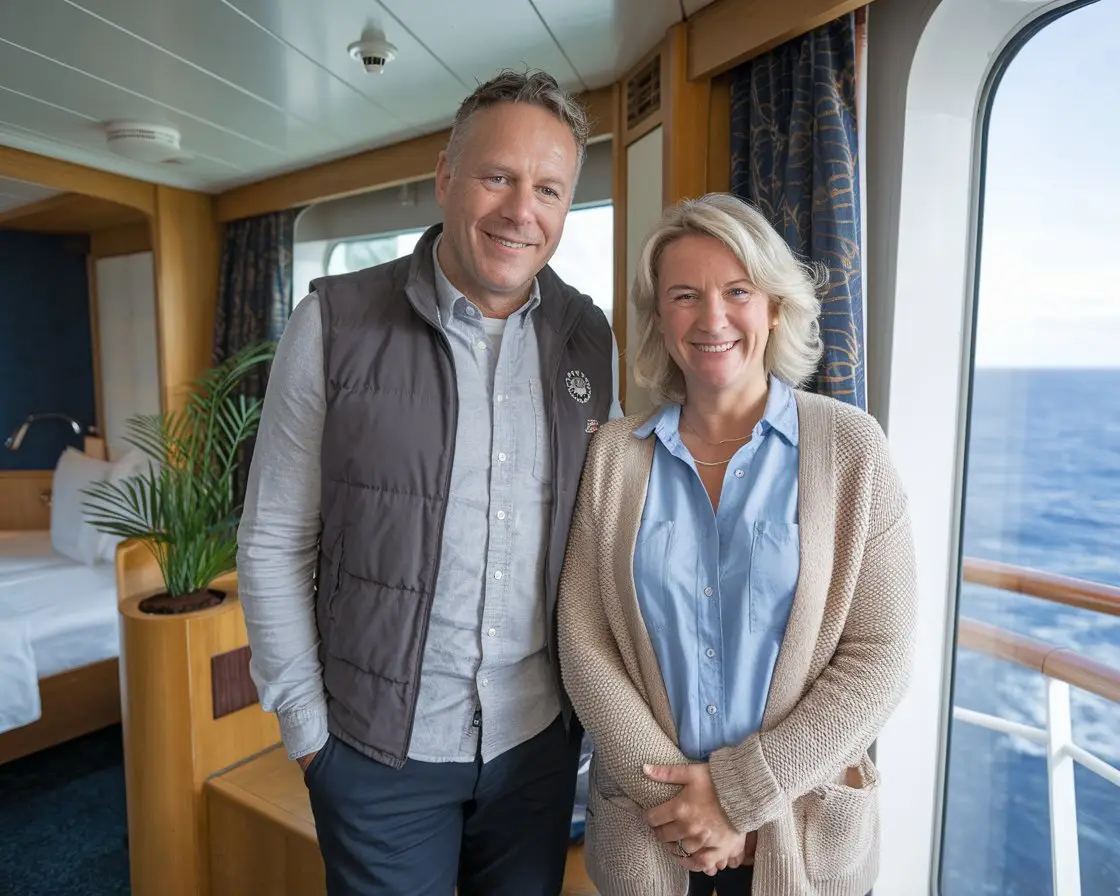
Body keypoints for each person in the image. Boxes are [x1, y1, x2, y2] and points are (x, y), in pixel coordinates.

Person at [236, 69, 622, 896]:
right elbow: (272, 538)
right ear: (447, 176)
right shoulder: (332, 322)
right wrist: (309, 734)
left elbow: (599, 542)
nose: (523, 211)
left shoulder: (588, 338)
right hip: (378, 757)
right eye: (498, 177)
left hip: (536, 751)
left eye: (549, 189)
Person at [557, 193, 917, 896]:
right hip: (650, 840)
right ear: (661, 320)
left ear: (775, 307)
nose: (712, 318)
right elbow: (583, 638)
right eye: (685, 295)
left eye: (737, 292)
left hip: (805, 841)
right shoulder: (614, 460)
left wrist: (737, 797)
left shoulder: (852, 449)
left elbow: (884, 654)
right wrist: (682, 808)